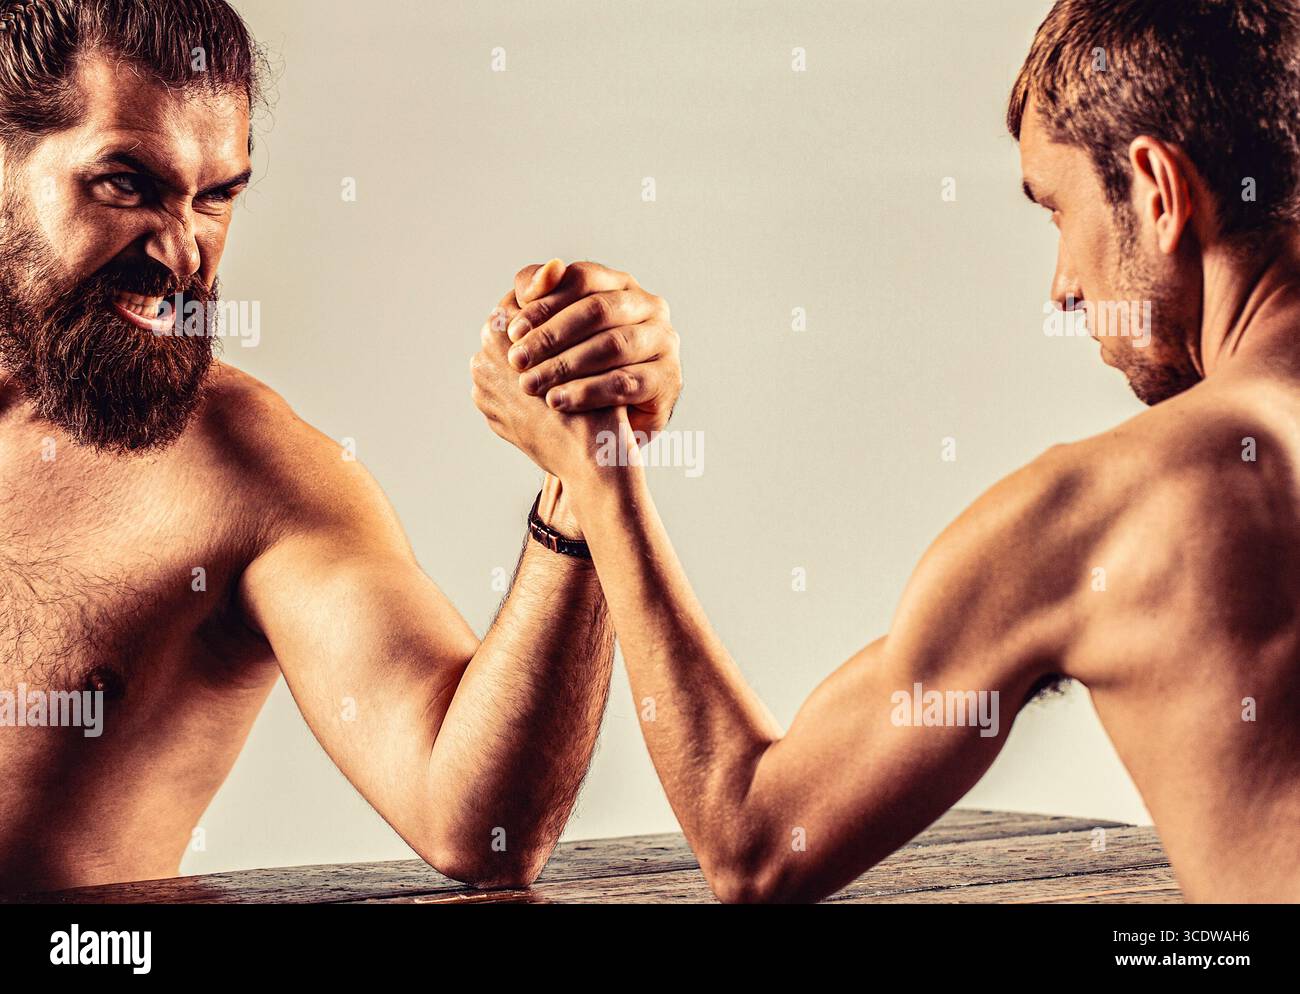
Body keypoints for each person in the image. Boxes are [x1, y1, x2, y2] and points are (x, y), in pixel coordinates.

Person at [471, 0, 1300, 902]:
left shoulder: (1109, 511)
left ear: (1158, 191)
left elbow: (757, 841)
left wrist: (597, 473)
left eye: (1058, 210)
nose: (1063, 290)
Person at [0, 0, 681, 893]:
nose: (183, 254)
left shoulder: (249, 472)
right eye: (126, 185)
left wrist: (582, 480)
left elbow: (480, 827)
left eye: (216, 197)